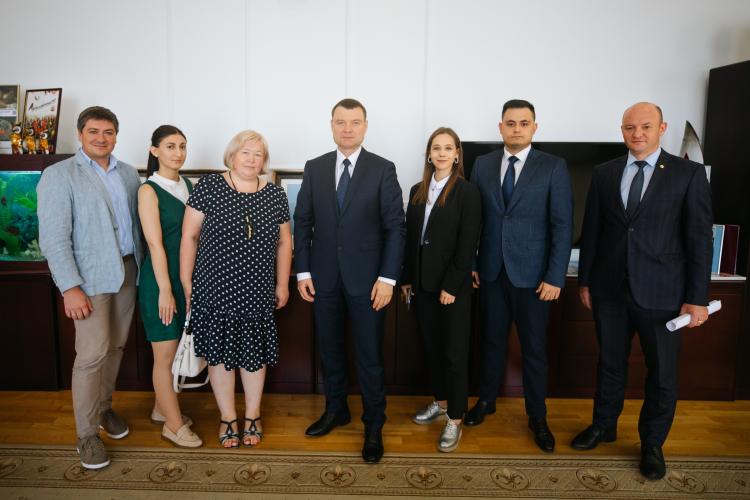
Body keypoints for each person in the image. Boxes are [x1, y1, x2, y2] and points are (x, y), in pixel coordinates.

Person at [572, 102, 712, 480]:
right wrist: (585, 281)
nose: (637, 134)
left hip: (664, 294)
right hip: (610, 291)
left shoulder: (688, 174)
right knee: (610, 364)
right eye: (630, 127)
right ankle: (603, 426)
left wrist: (697, 298)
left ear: (661, 128)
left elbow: (699, 240)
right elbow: (592, 231)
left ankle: (652, 443)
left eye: (646, 126)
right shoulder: (604, 173)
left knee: (662, 373)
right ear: (622, 130)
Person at [294, 98, 405, 463]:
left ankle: (373, 425)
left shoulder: (383, 169)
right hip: (323, 279)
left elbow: (395, 228)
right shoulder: (315, 167)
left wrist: (387, 278)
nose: (347, 128)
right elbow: (303, 222)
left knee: (369, 356)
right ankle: (336, 410)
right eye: (340, 122)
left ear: (365, 126)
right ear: (331, 125)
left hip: (369, 282)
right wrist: (303, 271)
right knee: (330, 351)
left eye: (355, 122)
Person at [37, 106, 143, 469]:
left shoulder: (128, 173)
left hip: (127, 272)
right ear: (80, 134)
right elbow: (53, 238)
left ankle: (103, 409)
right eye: (94, 131)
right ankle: (86, 436)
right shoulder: (59, 175)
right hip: (89, 280)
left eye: (108, 132)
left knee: (116, 347)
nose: (101, 138)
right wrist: (70, 287)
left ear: (116, 135)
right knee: (91, 355)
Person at [468, 99, 573, 453]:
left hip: (535, 278)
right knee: (491, 342)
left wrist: (555, 276)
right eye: (510, 123)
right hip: (491, 272)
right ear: (500, 127)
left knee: (534, 349)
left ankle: (537, 416)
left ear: (534, 127)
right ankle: (486, 401)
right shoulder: (482, 165)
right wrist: (472, 262)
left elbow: (562, 226)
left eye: (523, 123)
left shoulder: (553, 166)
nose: (516, 129)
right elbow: (474, 219)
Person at [180, 130, 292, 448]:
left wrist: (282, 283)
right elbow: (189, 236)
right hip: (214, 287)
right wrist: (187, 283)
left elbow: (285, 242)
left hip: (257, 289)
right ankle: (228, 417)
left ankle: (253, 415)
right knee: (219, 354)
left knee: (253, 354)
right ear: (232, 155)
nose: (252, 159)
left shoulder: (275, 194)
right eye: (245, 152)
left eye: (258, 154)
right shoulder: (209, 187)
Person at [401, 127, 481, 452]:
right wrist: (407, 278)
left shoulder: (467, 192)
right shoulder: (417, 190)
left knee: (454, 355)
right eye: (437, 148)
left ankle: (456, 418)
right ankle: (442, 402)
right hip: (422, 285)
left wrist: (452, 285)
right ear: (429, 154)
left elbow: (467, 243)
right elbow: (411, 238)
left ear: (457, 154)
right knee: (432, 349)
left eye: (449, 148)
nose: (442, 153)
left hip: (452, 289)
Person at [137, 125, 202, 448]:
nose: (178, 153)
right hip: (160, 283)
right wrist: (165, 289)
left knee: (177, 349)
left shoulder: (189, 186)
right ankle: (173, 426)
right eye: (170, 146)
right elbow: (154, 243)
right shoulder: (148, 190)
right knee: (164, 355)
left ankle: (161, 409)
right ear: (155, 151)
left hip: (187, 280)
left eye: (182, 146)